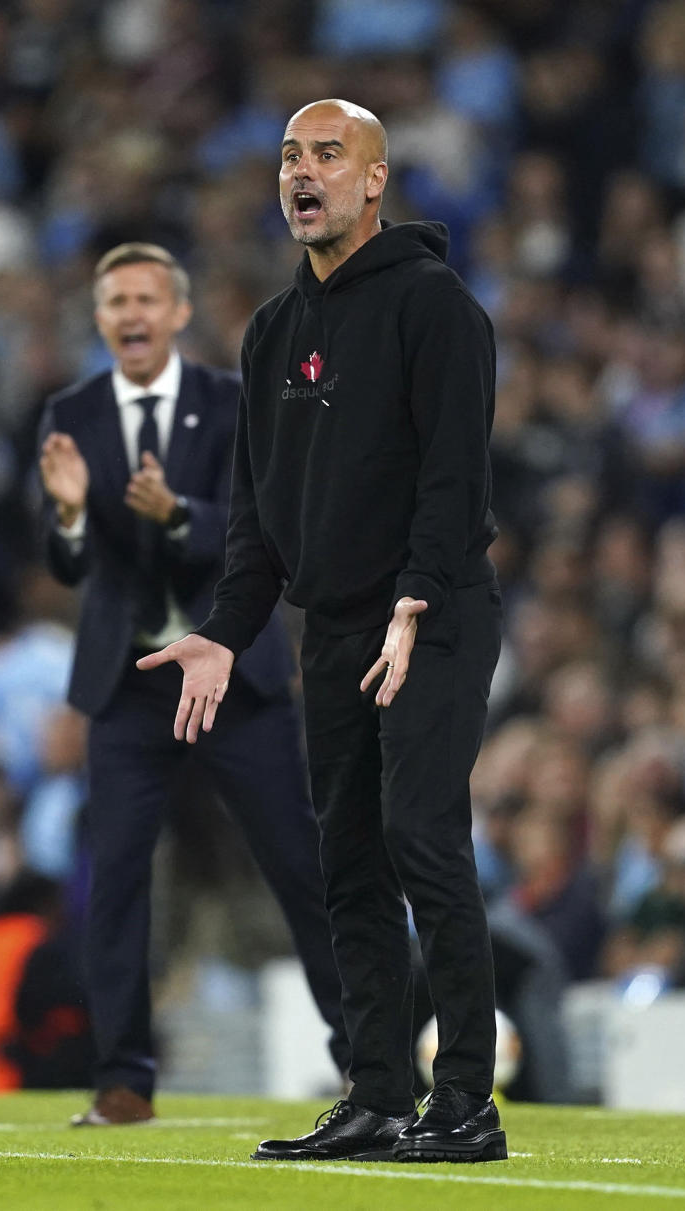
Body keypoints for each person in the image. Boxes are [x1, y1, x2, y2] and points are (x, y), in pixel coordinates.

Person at [138, 101, 507, 1163]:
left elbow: (454, 477)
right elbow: (259, 519)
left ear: (376, 179)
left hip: (428, 615)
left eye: (327, 156)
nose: (302, 173)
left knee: (422, 838)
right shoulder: (271, 332)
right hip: (336, 629)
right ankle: (379, 1093)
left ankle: (467, 1099)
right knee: (346, 857)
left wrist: (416, 598)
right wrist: (223, 628)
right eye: (289, 158)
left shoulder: (436, 309)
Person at [37, 242, 347, 1126]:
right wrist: (66, 509)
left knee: (300, 866)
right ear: (100, 320)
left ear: (177, 313)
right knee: (120, 880)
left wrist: (176, 514)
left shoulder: (231, 401)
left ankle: (367, 1062)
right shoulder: (71, 413)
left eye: (147, 297)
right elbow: (66, 564)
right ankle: (125, 1081)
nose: (131, 313)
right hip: (131, 686)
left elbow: (265, 528)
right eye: (115, 300)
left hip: (232, 674)